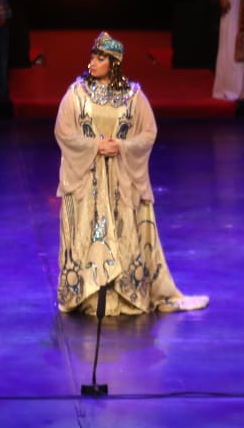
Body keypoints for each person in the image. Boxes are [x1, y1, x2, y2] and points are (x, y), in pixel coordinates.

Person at [54, 32, 208, 315]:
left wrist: (122, 146)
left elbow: (149, 133)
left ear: (113, 63)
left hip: (122, 179)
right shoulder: (76, 93)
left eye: (100, 58)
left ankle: (126, 294)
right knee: (90, 233)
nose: (93, 62)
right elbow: (63, 132)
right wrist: (94, 146)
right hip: (88, 178)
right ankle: (87, 295)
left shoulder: (133, 95)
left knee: (123, 230)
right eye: (92, 56)